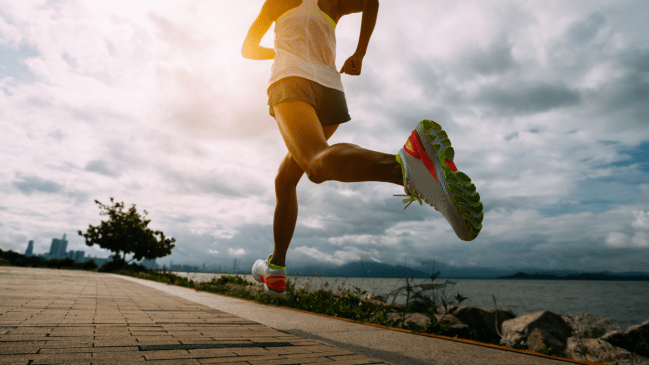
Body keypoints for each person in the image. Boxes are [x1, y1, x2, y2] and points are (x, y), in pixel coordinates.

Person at [242, 0, 483, 297]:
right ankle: (275, 267)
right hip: (330, 92)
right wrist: (359, 53)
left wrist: (278, 50)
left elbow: (248, 49)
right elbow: (371, 1)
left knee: (316, 161)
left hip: (291, 81)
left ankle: (406, 167)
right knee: (290, 177)